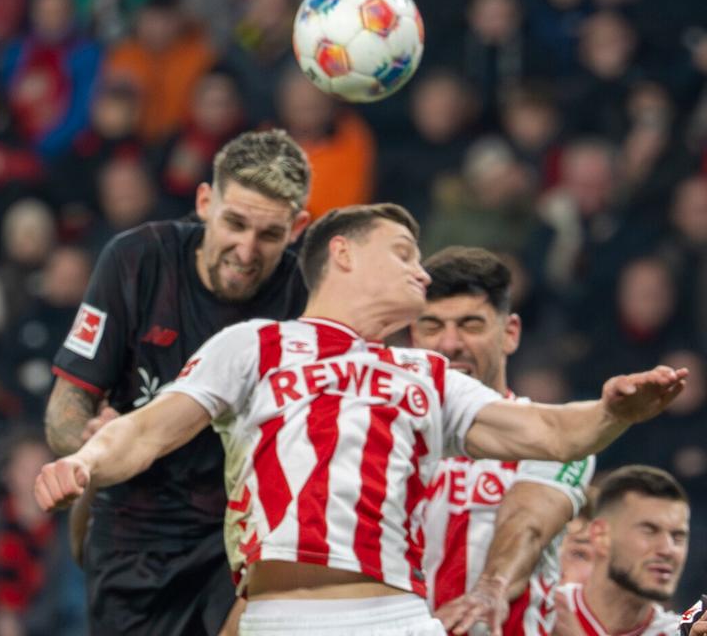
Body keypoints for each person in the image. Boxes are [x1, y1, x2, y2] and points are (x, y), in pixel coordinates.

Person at [35, 203, 688, 636]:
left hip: (393, 616)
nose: (420, 272)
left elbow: (550, 434)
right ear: (343, 254)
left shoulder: (425, 374)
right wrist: (84, 461)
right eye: (404, 253)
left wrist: (611, 411)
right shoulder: (254, 345)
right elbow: (146, 430)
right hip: (275, 616)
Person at [43, 129, 311, 635]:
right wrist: (88, 440)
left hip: (242, 541)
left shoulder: (304, 296)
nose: (247, 250)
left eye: (269, 234)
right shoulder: (136, 260)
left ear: (297, 228)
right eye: (235, 223)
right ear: (205, 202)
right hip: (136, 535)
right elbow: (66, 406)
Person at [408, 246, 595, 636]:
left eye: (471, 325)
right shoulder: (389, 434)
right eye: (432, 326)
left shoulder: (552, 439)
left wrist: (491, 586)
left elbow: (528, 524)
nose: (449, 344)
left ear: (510, 334)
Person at [553, 465, 690, 636]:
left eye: (678, 537)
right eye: (649, 531)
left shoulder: (683, 632)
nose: (667, 550)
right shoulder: (541, 611)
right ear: (601, 535)